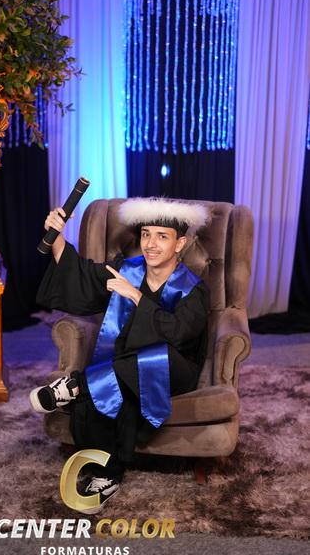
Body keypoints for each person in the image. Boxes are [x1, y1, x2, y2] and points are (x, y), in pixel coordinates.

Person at [30, 197, 211, 513]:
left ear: (180, 244)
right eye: (146, 234)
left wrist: (137, 297)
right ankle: (108, 473)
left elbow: (180, 334)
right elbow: (85, 278)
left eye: (162, 236)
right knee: (112, 387)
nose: (150, 244)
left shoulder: (192, 288)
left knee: (142, 362)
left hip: (174, 369)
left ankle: (75, 385)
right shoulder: (128, 270)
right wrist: (57, 238)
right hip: (124, 368)